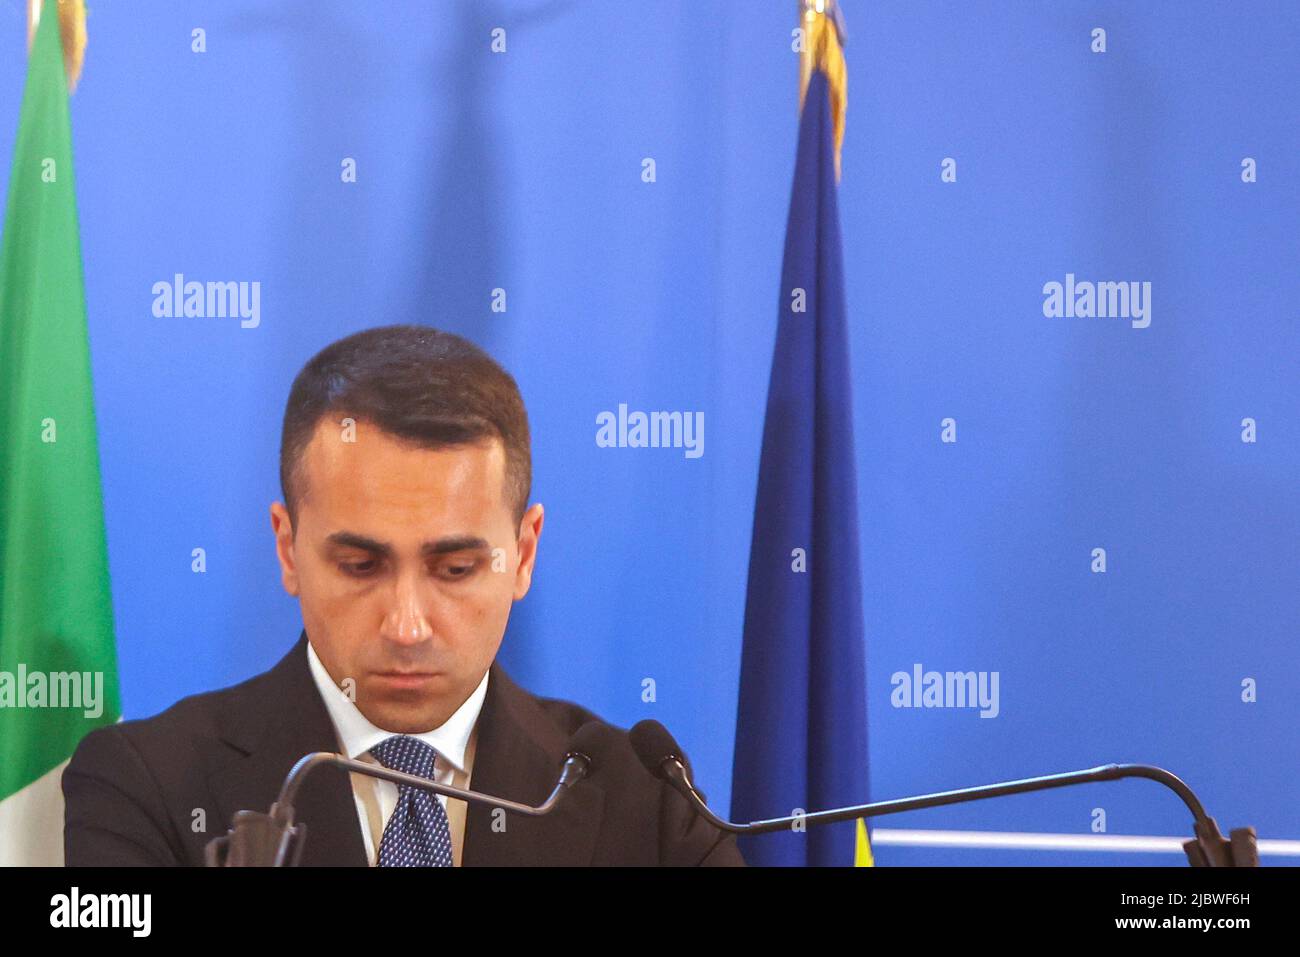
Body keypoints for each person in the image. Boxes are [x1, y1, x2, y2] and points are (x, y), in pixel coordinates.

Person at [63, 324, 743, 866]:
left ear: (524, 553)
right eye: (360, 565)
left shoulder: (644, 802)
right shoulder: (148, 787)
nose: (407, 625)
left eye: (454, 569)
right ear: (287, 547)